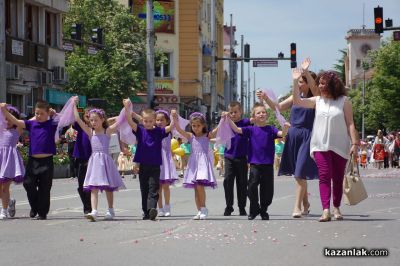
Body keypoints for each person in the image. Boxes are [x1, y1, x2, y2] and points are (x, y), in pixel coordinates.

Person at [292, 69, 359, 222]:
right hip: (320, 145)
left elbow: (350, 124)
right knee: (324, 176)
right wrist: (295, 81)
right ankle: (325, 210)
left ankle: (336, 206)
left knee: (337, 177)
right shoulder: (317, 100)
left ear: (332, 85)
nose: (320, 86)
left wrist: (355, 143)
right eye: (319, 84)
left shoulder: (344, 101)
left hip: (340, 145)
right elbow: (297, 101)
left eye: (323, 83)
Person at [257, 58, 319, 218]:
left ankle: (297, 206)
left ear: (307, 82)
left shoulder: (316, 99)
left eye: (301, 81)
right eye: (298, 81)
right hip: (293, 136)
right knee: (299, 172)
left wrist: (305, 71)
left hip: (307, 136)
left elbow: (315, 88)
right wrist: (265, 98)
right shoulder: (295, 98)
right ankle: (306, 203)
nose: (298, 84)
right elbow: (277, 107)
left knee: (299, 172)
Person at [224, 103, 289, 220]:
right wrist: (227, 118)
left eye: (263, 112)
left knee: (268, 191)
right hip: (254, 164)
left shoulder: (271, 129)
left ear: (267, 115)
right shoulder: (250, 129)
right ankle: (254, 209)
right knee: (251, 187)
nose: (262, 114)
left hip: (268, 165)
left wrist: (285, 127)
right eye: (258, 112)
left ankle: (263, 210)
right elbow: (237, 129)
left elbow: (282, 134)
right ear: (254, 116)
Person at [2, 100, 65, 220]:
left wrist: (55, 114)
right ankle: (35, 206)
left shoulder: (52, 124)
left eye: (42, 113)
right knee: (28, 184)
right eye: (37, 113)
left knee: (45, 188)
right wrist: (4, 110)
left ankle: (42, 212)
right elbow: (16, 121)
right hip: (33, 161)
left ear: (47, 113)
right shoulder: (31, 124)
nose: (39, 116)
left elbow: (66, 119)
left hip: (47, 161)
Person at [73, 99, 126, 222]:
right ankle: (94, 211)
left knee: (108, 187)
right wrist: (73, 105)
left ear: (102, 120)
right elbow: (78, 119)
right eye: (91, 120)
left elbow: (120, 120)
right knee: (93, 187)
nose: (93, 122)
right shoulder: (90, 132)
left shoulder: (107, 131)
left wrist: (126, 107)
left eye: (96, 120)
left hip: (106, 161)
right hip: (95, 162)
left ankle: (110, 209)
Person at [123, 99, 173, 221]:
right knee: (144, 188)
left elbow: (170, 127)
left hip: (155, 164)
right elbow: (130, 121)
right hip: (143, 165)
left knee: (154, 187)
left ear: (154, 121)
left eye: (151, 121)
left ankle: (152, 209)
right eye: (145, 121)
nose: (148, 123)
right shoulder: (140, 130)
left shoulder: (159, 131)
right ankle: (146, 212)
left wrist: (173, 116)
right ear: (142, 121)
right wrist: (126, 108)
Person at [171, 110, 218, 220]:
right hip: (193, 164)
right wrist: (174, 117)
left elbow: (216, 130)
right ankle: (199, 210)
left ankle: (204, 208)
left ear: (203, 126)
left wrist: (224, 119)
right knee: (196, 189)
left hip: (203, 164)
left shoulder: (207, 136)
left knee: (200, 186)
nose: (196, 128)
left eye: (198, 125)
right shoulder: (190, 136)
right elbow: (178, 129)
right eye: (193, 125)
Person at [222, 101, 251, 216]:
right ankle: (229, 206)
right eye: (231, 112)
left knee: (242, 183)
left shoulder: (246, 122)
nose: (233, 114)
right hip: (229, 156)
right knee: (228, 181)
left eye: (235, 112)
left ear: (241, 112)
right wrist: (222, 118)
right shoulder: (225, 122)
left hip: (242, 157)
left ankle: (242, 207)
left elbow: (255, 119)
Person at [0, 105, 25, 219]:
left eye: (10, 119)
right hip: (1, 160)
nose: (8, 121)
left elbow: (26, 121)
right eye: (6, 118)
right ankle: (10, 201)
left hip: (9, 162)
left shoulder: (17, 129)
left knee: (5, 187)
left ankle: (3, 210)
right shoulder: (0, 129)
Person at [155, 110, 179, 217]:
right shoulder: (153, 130)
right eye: (157, 120)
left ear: (167, 121)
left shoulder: (168, 131)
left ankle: (167, 206)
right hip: (156, 159)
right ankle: (159, 208)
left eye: (162, 120)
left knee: (165, 186)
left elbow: (174, 124)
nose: (159, 122)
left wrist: (173, 115)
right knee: (158, 187)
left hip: (165, 160)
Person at [72, 108, 93, 216]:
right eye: (86, 115)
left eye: (90, 115)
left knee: (90, 185)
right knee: (81, 186)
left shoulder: (96, 127)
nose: (88, 116)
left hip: (92, 159)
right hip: (80, 158)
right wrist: (74, 105)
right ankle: (87, 205)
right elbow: (75, 119)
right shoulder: (80, 126)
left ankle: (89, 207)